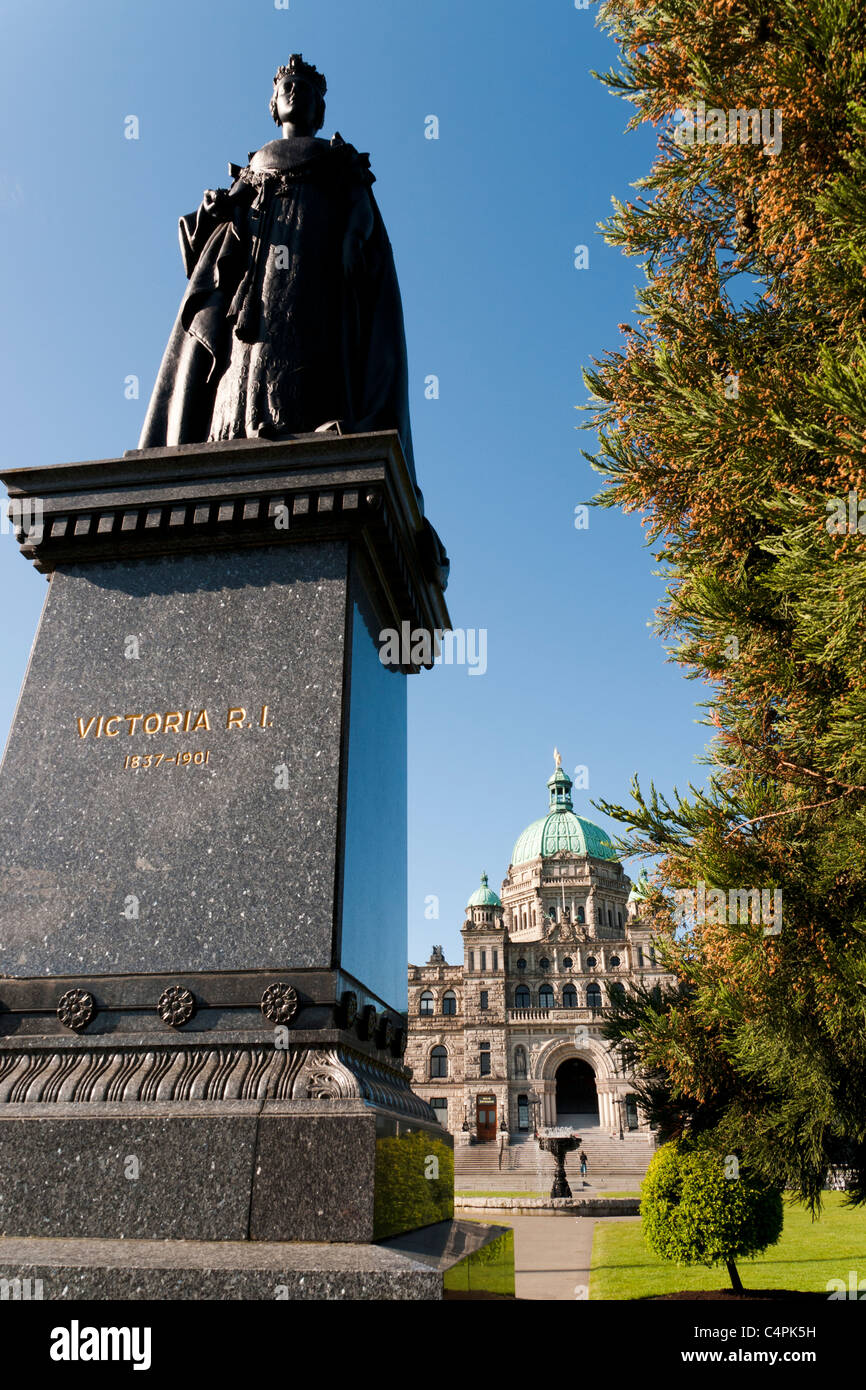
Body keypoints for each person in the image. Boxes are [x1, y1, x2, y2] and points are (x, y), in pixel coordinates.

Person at [139, 55, 417, 484]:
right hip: (255, 269)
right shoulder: (255, 164)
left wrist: (351, 240)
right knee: (251, 345)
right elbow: (228, 205)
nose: (294, 92)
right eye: (287, 87)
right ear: (273, 104)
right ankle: (235, 428)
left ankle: (303, 422)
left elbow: (360, 205)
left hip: (315, 260)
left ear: (318, 109)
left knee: (305, 334)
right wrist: (215, 207)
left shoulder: (333, 154)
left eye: (305, 89)